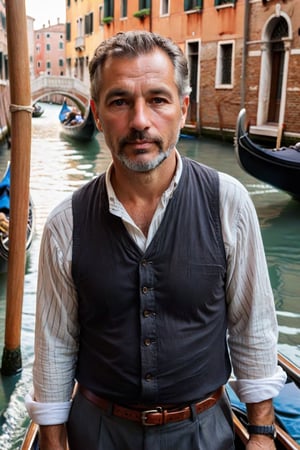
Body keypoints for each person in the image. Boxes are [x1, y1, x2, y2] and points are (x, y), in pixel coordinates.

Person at [26, 31, 286, 450]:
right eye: (120, 101)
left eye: (158, 100)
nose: (140, 121)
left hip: (204, 433)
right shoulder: (64, 223)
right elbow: (55, 346)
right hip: (97, 432)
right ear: (96, 112)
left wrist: (260, 433)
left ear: (182, 110)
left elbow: (251, 325)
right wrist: (55, 444)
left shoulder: (228, 203)